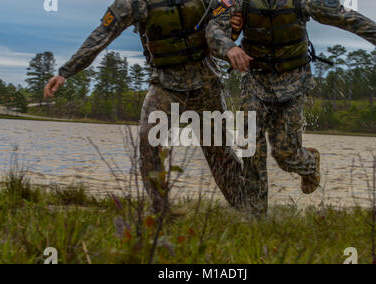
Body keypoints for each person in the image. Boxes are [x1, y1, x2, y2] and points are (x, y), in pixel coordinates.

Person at [44, 0, 253, 213]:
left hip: (205, 81)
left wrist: (234, 30)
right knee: (147, 137)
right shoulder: (136, 3)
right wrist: (65, 72)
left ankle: (248, 212)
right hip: (165, 84)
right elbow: (102, 34)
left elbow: (224, 24)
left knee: (220, 152)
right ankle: (160, 211)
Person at [207, 0, 376, 214]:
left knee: (286, 155)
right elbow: (214, 29)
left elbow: (346, 18)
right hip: (256, 81)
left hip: (293, 83)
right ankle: (256, 217)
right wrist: (229, 47)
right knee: (251, 146)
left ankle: (310, 163)